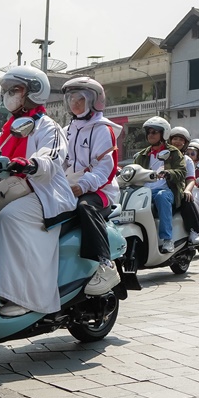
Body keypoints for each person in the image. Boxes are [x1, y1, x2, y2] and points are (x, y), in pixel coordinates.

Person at [0, 66, 77, 317]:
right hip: (14, 191)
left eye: (14, 90)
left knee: (10, 217)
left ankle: (25, 297)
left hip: (45, 194)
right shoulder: (6, 131)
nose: (8, 95)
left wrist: (30, 163)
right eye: (6, 90)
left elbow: (52, 157)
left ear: (33, 93)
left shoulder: (48, 126)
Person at [61, 76, 122, 296]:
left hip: (100, 191)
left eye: (80, 99)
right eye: (71, 99)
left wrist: (84, 185)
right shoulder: (68, 129)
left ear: (95, 101)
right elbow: (61, 161)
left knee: (85, 206)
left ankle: (105, 264)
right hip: (71, 185)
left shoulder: (102, 130)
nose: (74, 104)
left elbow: (107, 168)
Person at [132, 116, 186, 254]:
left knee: (162, 196)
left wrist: (169, 173)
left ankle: (168, 239)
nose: (150, 135)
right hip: (145, 192)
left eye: (154, 132)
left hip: (167, 191)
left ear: (164, 134)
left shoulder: (174, 152)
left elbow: (182, 171)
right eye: (149, 132)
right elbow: (134, 171)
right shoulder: (141, 155)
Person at [165, 126, 199, 247]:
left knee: (186, 199)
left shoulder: (187, 160)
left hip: (177, 189)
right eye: (175, 138)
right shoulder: (163, 155)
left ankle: (194, 231)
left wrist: (187, 190)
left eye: (181, 140)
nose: (177, 142)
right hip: (159, 189)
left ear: (185, 143)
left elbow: (191, 179)